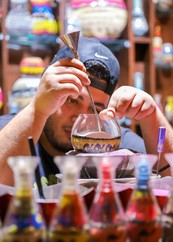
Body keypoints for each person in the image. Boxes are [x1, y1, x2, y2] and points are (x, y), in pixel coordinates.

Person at [0, 36, 172, 186]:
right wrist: (37, 109)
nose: (80, 117)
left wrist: (152, 117)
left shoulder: (113, 145)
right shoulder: (9, 131)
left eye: (96, 109)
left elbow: (168, 181)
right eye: (72, 100)